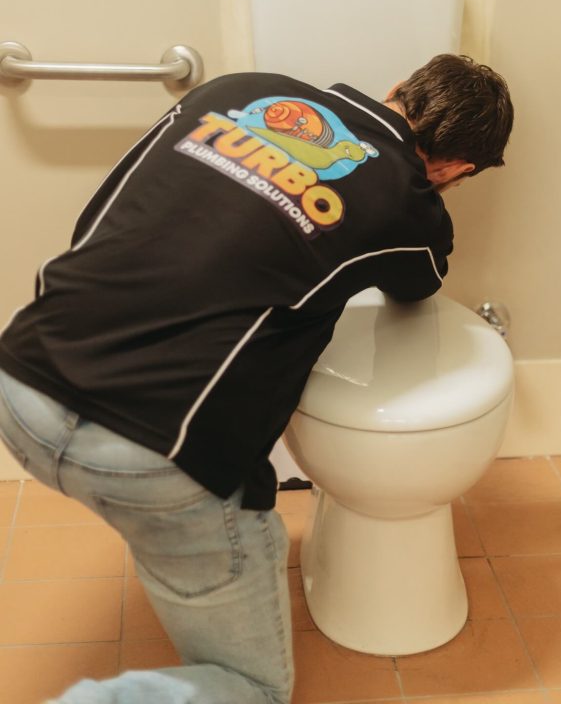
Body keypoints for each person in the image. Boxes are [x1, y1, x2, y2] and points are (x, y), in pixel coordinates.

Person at [0, 53, 513, 704]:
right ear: (453, 169)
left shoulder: (238, 90)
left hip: (22, 381)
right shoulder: (410, 203)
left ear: (395, 89)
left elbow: (105, 211)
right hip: (154, 455)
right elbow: (419, 289)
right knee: (253, 689)